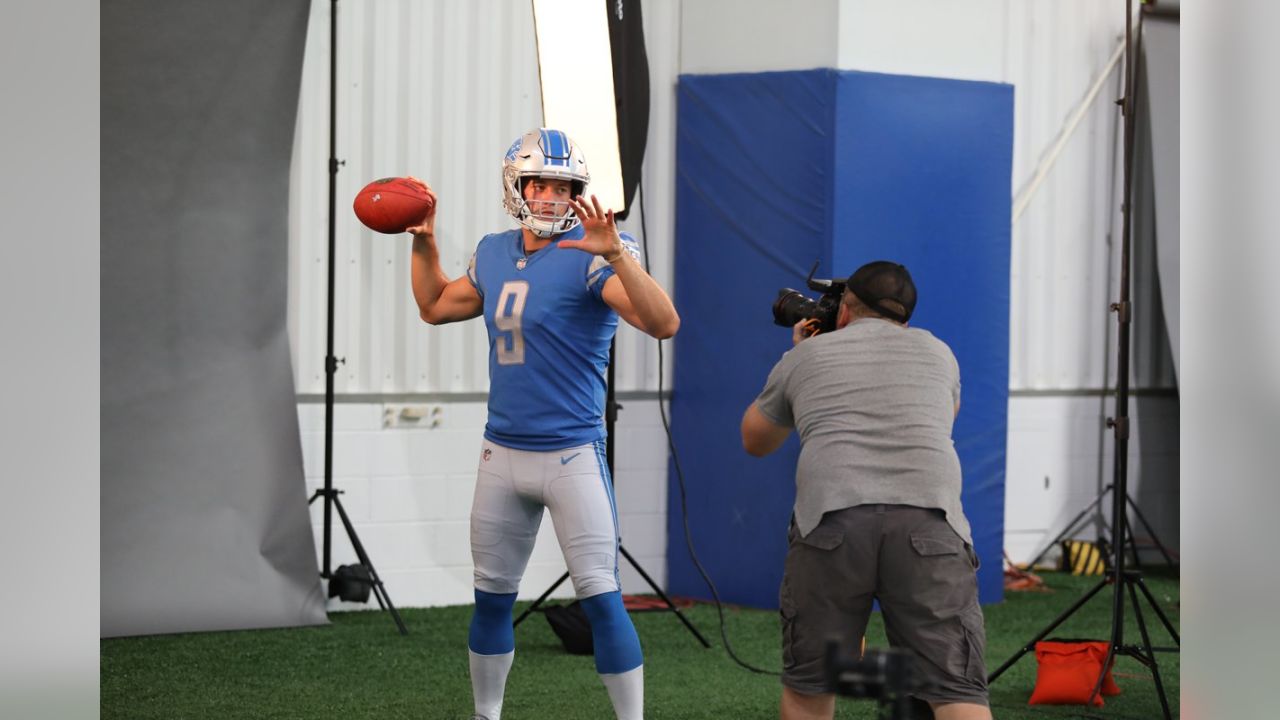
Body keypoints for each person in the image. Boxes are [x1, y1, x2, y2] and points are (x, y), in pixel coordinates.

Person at [405, 128, 679, 720]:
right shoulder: (494, 251)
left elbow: (664, 323)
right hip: (500, 453)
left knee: (603, 601)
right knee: (489, 601)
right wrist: (424, 242)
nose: (553, 197)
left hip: (570, 455)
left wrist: (615, 254)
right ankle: (486, 714)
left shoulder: (592, 253)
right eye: (541, 183)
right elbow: (433, 306)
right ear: (517, 186)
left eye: (565, 187)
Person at [740, 261, 991, 720]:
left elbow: (755, 441)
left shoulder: (806, 357)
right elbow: (943, 418)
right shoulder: (939, 353)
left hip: (832, 523)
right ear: (905, 318)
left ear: (844, 310)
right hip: (931, 524)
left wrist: (799, 360)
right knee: (955, 691)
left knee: (811, 688)